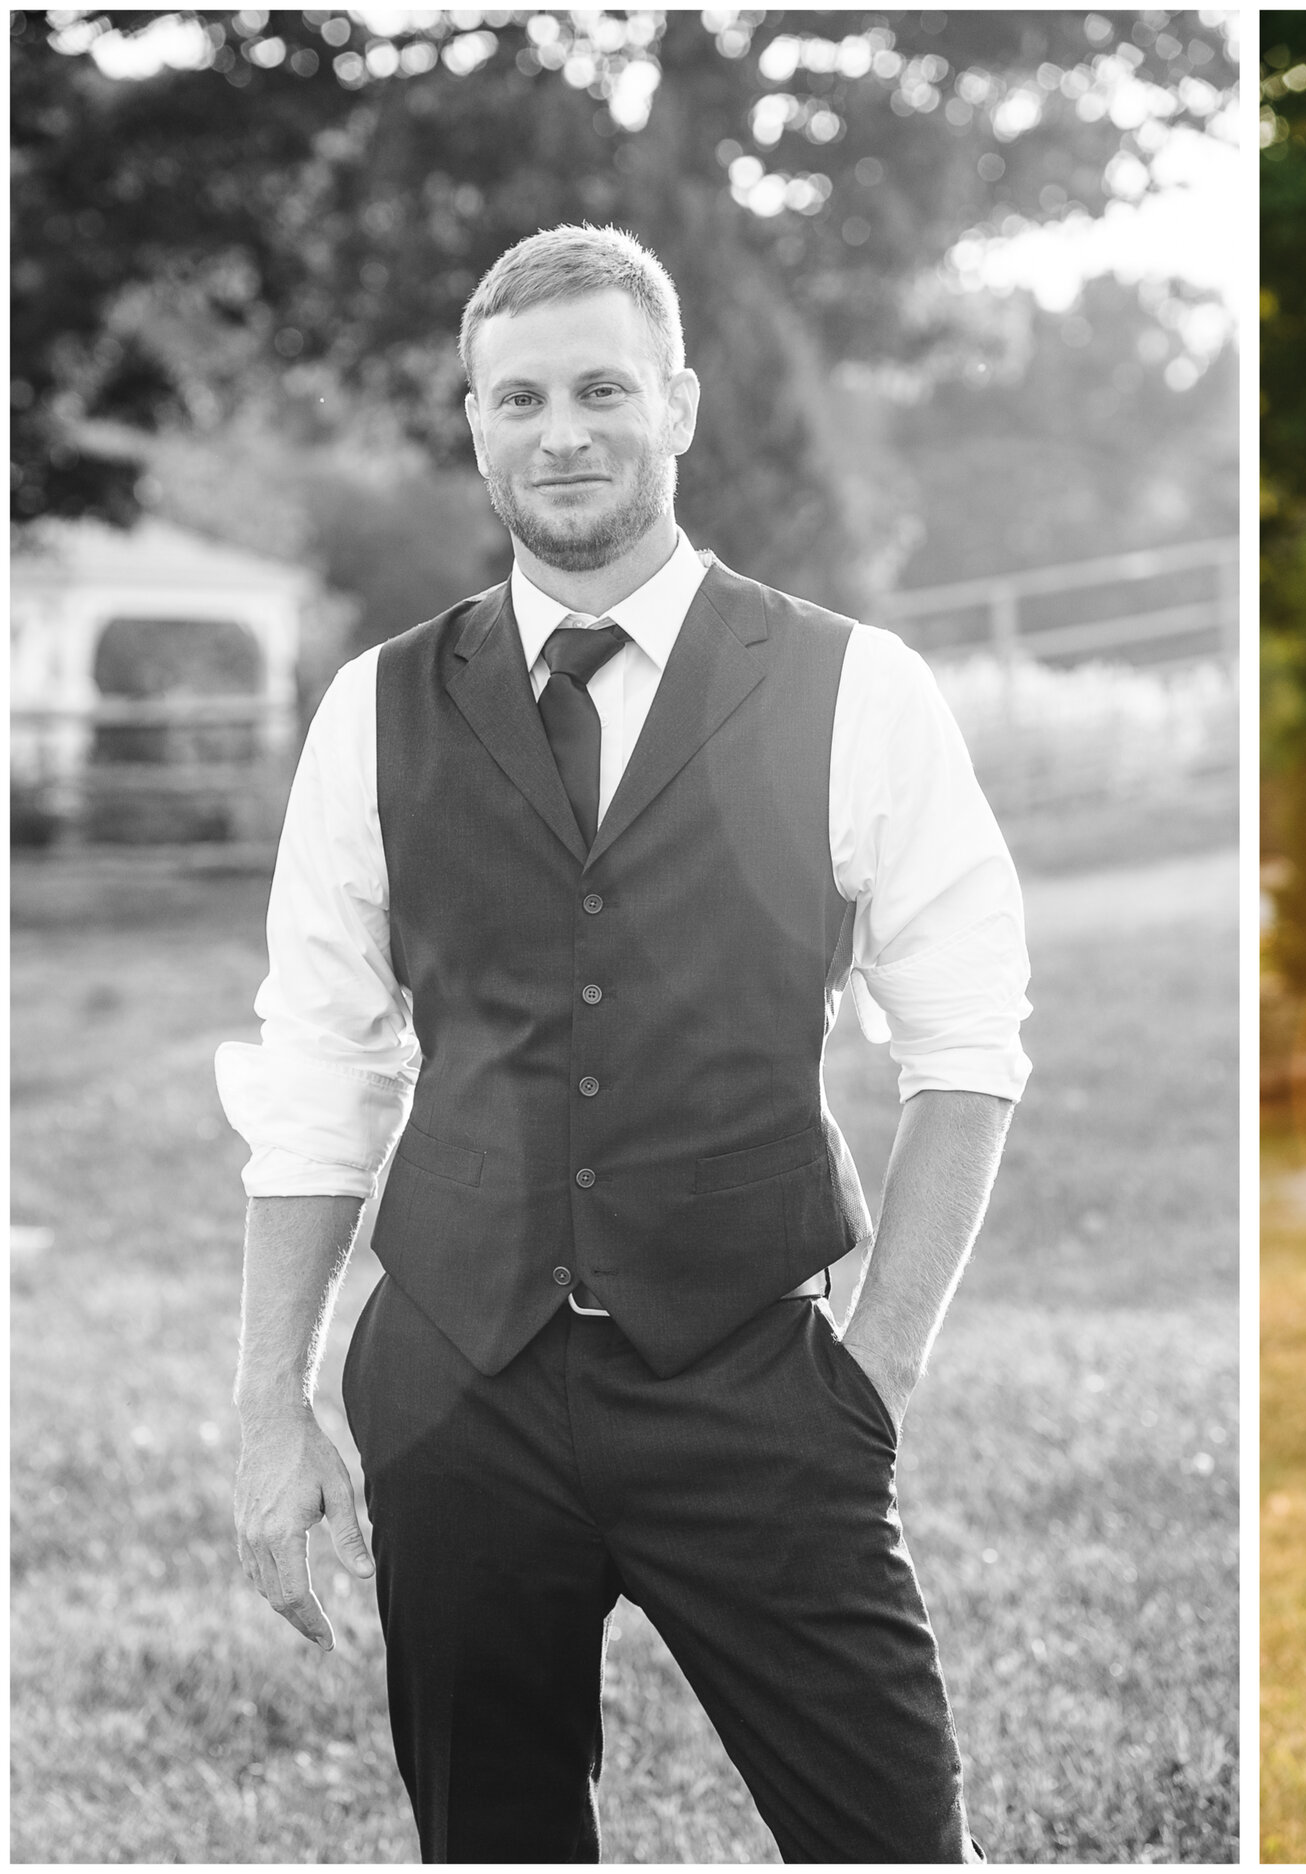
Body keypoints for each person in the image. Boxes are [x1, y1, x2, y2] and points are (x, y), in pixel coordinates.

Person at [216, 223, 1028, 1863]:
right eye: (518, 398)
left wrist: (875, 1376)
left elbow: (968, 1047)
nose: (561, 431)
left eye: (601, 388)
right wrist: (270, 1402)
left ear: (680, 403)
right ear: (473, 423)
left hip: (751, 1378)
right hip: (453, 1383)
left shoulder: (854, 687)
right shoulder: (373, 711)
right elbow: (321, 1064)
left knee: (890, 1832)